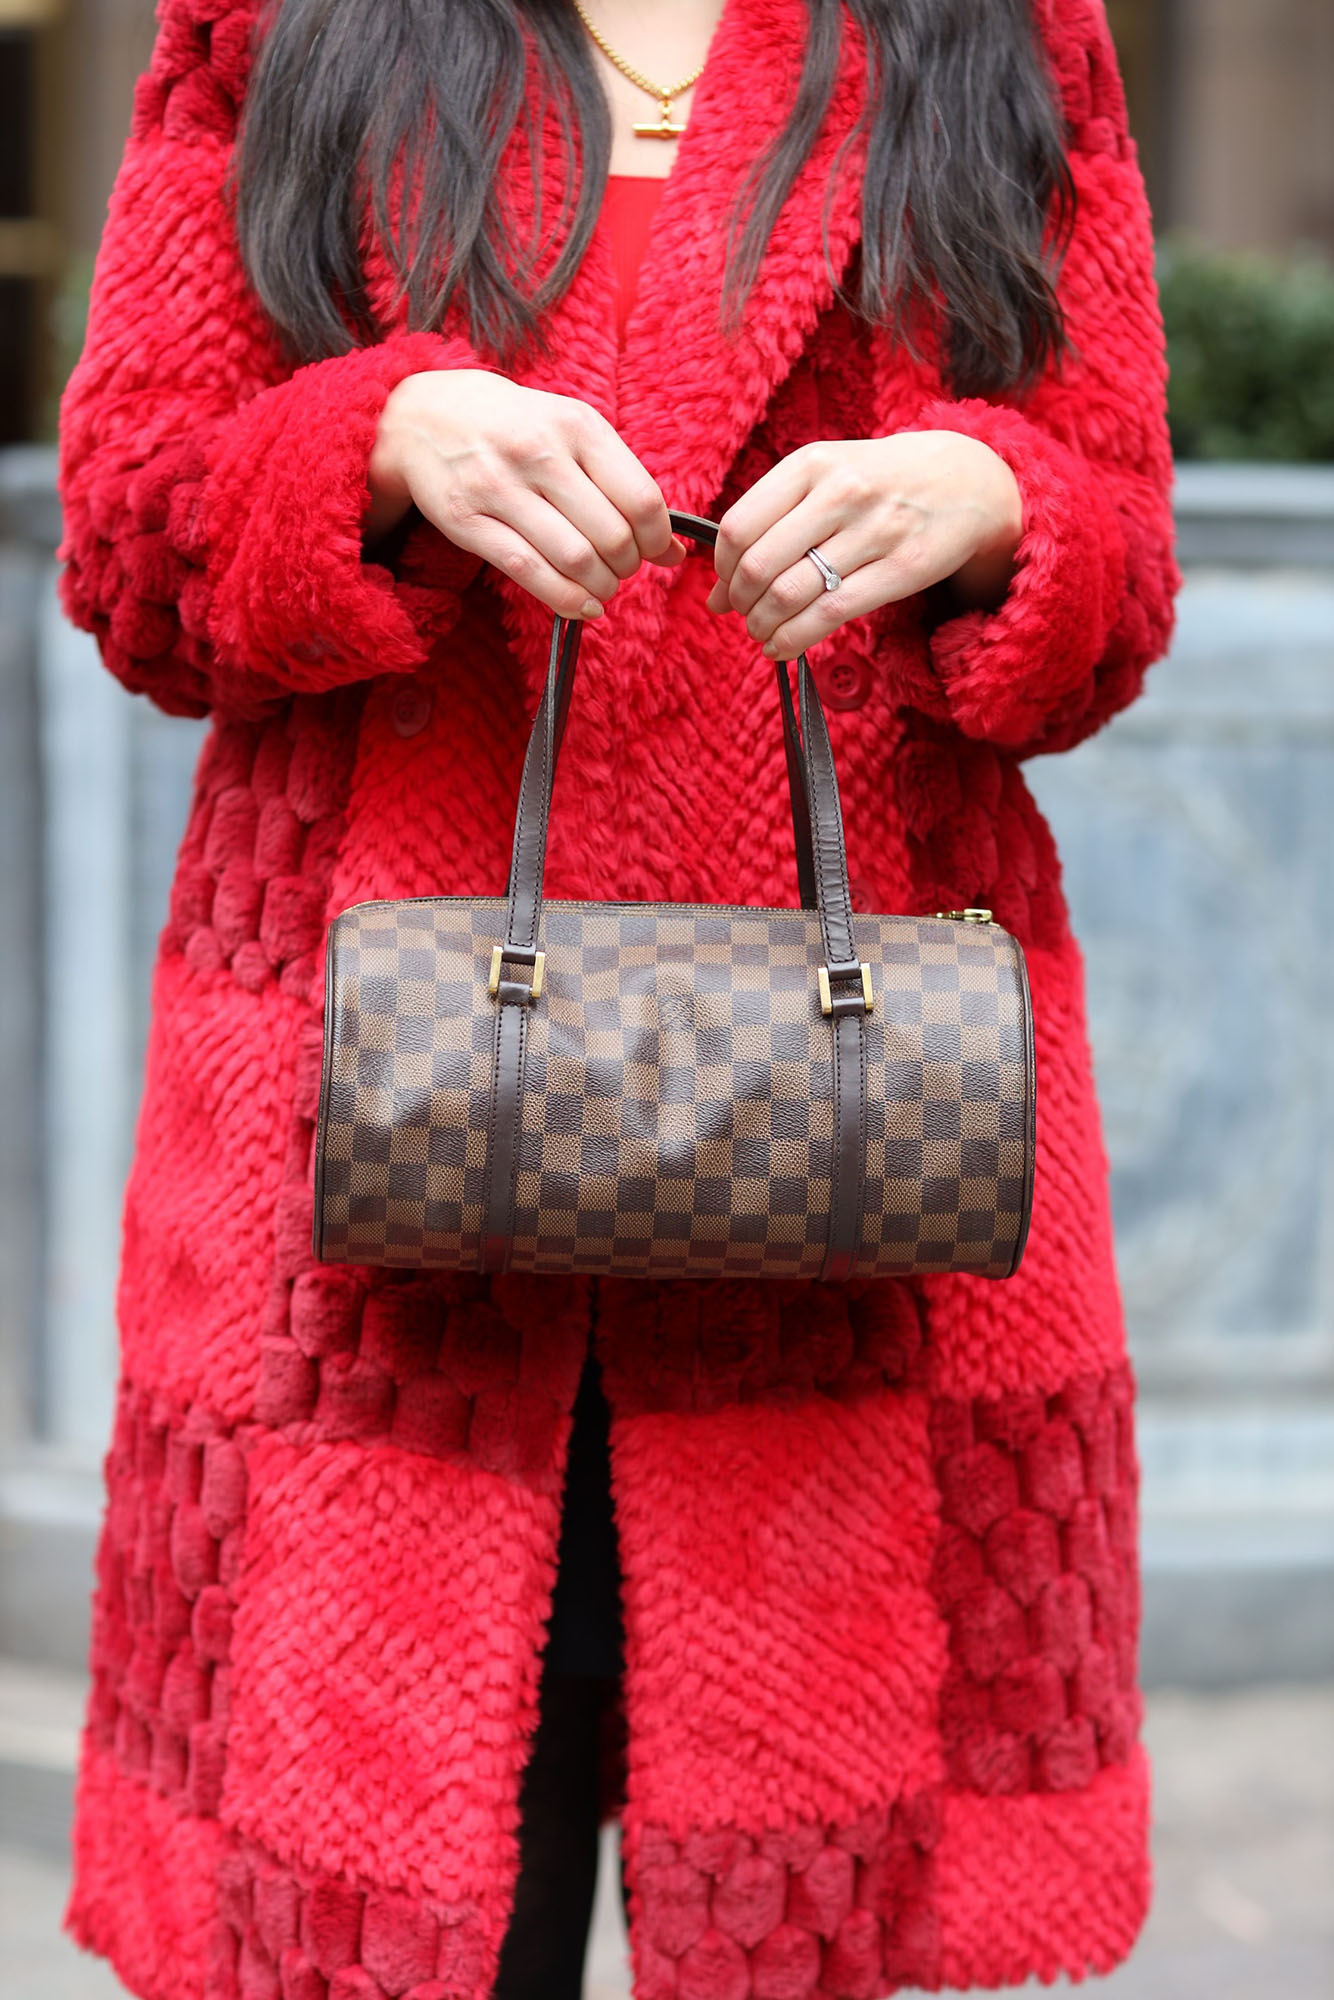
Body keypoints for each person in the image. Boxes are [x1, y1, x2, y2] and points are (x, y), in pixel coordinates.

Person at [55, 2, 1178, 1997]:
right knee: (399, 1914)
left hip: (835, 1155)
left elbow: (1118, 558)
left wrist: (997, 510)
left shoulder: (994, 34)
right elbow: (134, 531)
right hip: (381, 1158)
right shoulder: (289, 24)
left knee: (788, 1906)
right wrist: (375, 440)